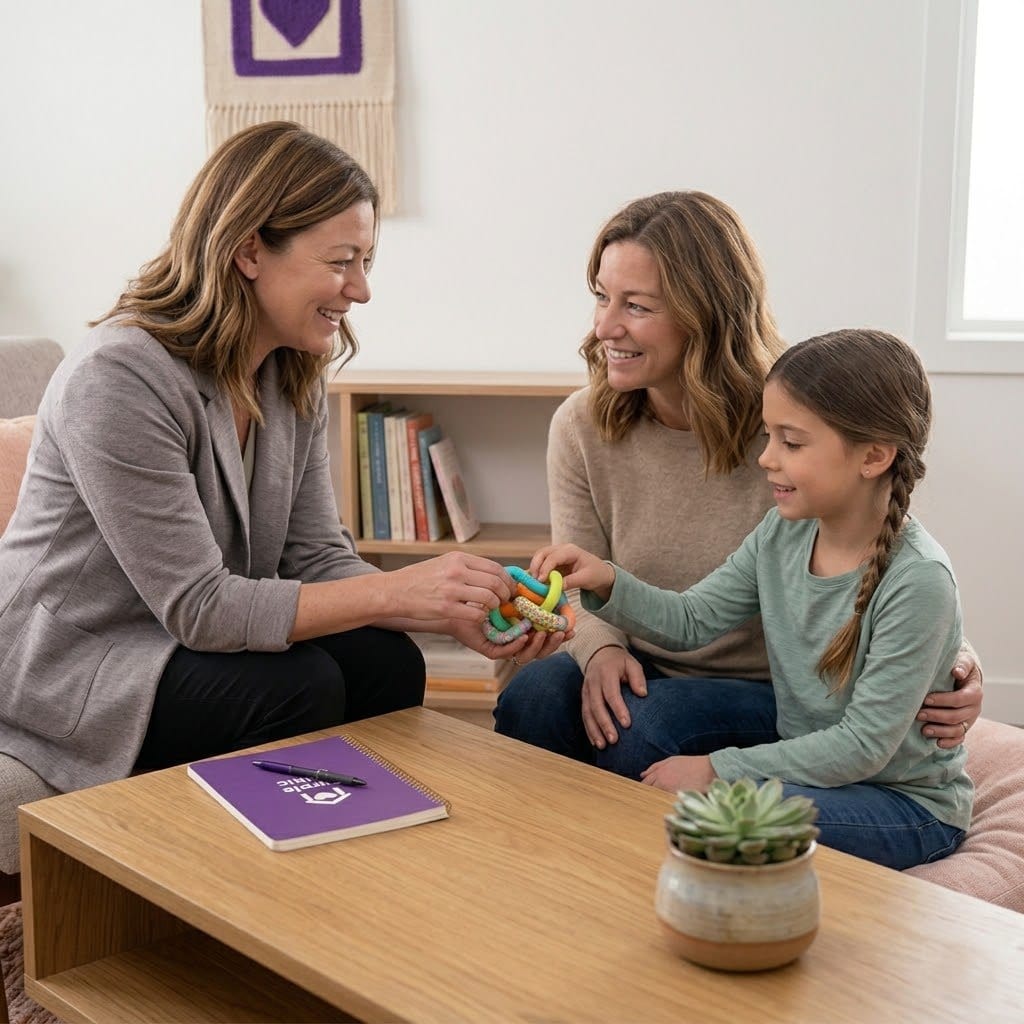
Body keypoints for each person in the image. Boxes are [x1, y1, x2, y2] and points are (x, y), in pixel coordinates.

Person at [0, 121, 541, 795]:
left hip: (180, 638)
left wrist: (446, 609)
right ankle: (239, 889)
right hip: (77, 658)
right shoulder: (118, 377)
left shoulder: (289, 370)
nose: (361, 289)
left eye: (366, 261)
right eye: (342, 261)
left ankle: (364, 856)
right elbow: (200, 606)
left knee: (387, 661)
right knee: (294, 689)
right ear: (250, 250)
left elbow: (316, 558)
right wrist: (400, 589)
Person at [494, 191, 982, 773]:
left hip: (778, 688)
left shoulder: (793, 422)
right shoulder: (581, 424)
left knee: (641, 729)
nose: (604, 326)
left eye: (637, 306)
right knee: (535, 697)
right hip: (648, 649)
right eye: (601, 297)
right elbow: (578, 582)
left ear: (706, 314)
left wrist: (956, 661)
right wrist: (598, 647)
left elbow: (882, 544)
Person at [529, 329, 971, 869]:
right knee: (699, 812)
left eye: (791, 442)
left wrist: (718, 769)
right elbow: (692, 619)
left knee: (720, 819)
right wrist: (605, 580)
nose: (766, 459)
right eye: (768, 437)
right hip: (812, 770)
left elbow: (862, 746)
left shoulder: (918, 580)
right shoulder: (782, 534)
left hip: (904, 804)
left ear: (873, 457)